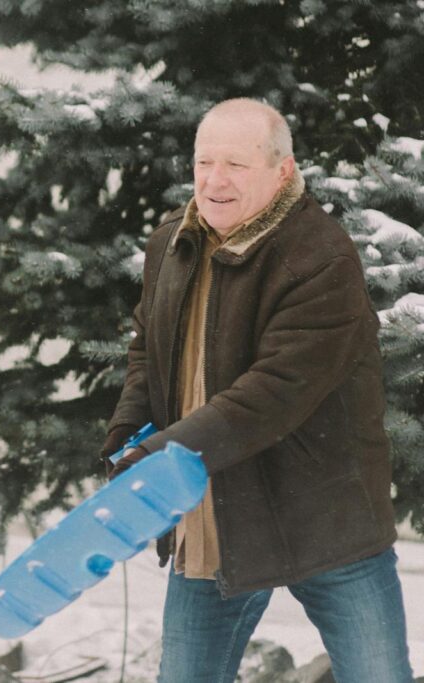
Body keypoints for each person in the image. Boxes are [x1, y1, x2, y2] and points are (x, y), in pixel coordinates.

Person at [101, 99, 413, 682]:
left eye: (237, 165)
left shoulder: (320, 258)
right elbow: (148, 348)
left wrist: (161, 453)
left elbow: (272, 394)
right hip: (218, 513)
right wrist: (128, 434)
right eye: (204, 162)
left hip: (325, 518)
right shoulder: (171, 243)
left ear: (283, 171)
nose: (215, 181)